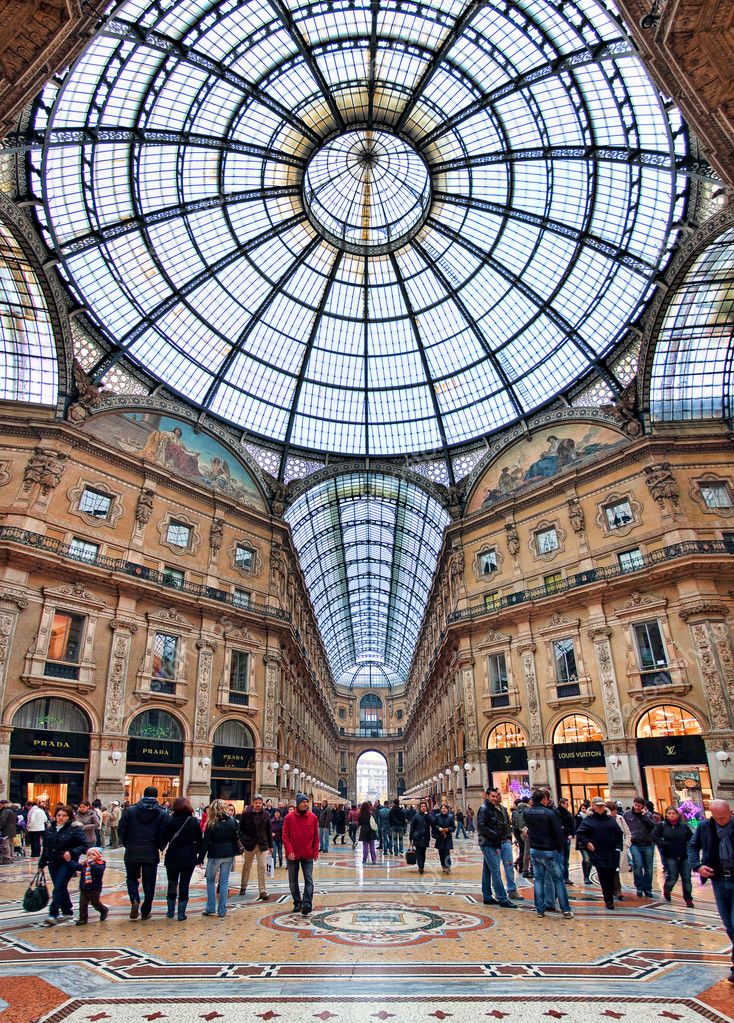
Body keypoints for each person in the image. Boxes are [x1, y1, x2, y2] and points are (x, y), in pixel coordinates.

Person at [689, 799, 734, 984]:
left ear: (731, 813)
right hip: (718, 879)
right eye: (717, 818)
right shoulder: (705, 826)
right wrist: (697, 866)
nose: (721, 821)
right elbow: (692, 846)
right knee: (729, 926)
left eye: (724, 817)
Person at [118, 785, 167, 920]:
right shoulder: (162, 813)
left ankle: (134, 899)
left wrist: (127, 843)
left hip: (132, 850)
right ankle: (146, 910)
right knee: (149, 881)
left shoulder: (130, 810)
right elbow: (164, 833)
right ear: (157, 796)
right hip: (151, 851)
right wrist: (159, 846)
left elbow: (121, 829)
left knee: (132, 878)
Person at [523, 789, 573, 919]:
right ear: (544, 799)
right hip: (549, 850)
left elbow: (528, 830)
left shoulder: (527, 813)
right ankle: (566, 910)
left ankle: (540, 910)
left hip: (535, 850)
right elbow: (558, 833)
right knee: (558, 880)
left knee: (538, 880)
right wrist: (558, 848)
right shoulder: (549, 813)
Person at [38, 805, 88, 925]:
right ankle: (67, 910)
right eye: (59, 815)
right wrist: (41, 863)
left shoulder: (74, 829)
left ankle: (53, 914)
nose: (61, 818)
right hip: (53, 861)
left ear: (69, 816)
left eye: (64, 815)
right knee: (60, 886)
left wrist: (71, 852)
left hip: (67, 863)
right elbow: (46, 847)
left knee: (59, 886)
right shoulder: (51, 828)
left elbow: (84, 845)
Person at [575, 797, 623, 909]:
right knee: (603, 875)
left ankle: (610, 895)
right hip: (598, 852)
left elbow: (618, 833)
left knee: (611, 875)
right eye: (599, 806)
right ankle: (608, 899)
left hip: (611, 852)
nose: (601, 808)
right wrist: (587, 843)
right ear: (593, 806)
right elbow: (581, 833)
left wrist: (618, 848)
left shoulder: (610, 819)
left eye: (602, 806)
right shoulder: (589, 820)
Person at [161, 796, 202, 920]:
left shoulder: (169, 820)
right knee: (184, 885)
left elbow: (164, 837)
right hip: (188, 857)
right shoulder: (194, 821)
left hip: (172, 855)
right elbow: (199, 839)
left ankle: (170, 911)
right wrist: (199, 855)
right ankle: (181, 914)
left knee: (172, 884)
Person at [476, 788, 517, 908]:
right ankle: (502, 898)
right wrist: (496, 836)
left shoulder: (491, 808)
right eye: (492, 796)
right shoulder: (484, 808)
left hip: (490, 842)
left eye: (496, 796)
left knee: (487, 871)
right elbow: (481, 826)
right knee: (495, 871)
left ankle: (487, 897)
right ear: (486, 796)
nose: (494, 798)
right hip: (488, 843)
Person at [200, 799, 240, 918]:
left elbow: (206, 842)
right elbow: (236, 837)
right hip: (228, 854)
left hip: (214, 854)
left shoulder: (211, 823)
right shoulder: (232, 821)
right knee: (224, 882)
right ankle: (222, 910)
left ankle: (210, 907)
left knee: (211, 881)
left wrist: (200, 857)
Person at [282, 793, 319, 915]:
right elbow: (285, 836)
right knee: (293, 880)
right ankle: (297, 902)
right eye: (303, 801)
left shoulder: (313, 817)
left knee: (309, 879)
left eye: (307, 801)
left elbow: (316, 837)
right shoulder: (289, 817)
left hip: (307, 854)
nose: (306, 803)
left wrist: (315, 852)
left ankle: (307, 903)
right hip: (293, 854)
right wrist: (289, 850)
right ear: (298, 803)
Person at [653, 805, 694, 907]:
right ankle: (667, 890)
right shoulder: (661, 825)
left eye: (673, 813)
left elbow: (692, 838)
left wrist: (691, 848)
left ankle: (688, 898)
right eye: (669, 813)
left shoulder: (684, 826)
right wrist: (663, 844)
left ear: (677, 815)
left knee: (686, 877)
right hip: (670, 855)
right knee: (672, 876)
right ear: (666, 815)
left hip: (684, 855)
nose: (671, 815)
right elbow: (654, 836)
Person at [239, 793, 273, 901]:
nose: (258, 804)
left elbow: (268, 830)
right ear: (252, 803)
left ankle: (262, 890)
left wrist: (271, 845)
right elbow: (241, 828)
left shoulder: (266, 814)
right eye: (256, 803)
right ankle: (243, 886)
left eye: (259, 803)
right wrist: (243, 840)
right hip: (249, 844)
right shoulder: (246, 814)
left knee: (262, 866)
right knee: (247, 866)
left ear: (262, 803)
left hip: (262, 844)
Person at [623, 796, 657, 897]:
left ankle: (648, 888)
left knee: (648, 867)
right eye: (636, 805)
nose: (637, 807)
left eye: (639, 806)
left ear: (643, 806)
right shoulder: (627, 814)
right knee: (637, 865)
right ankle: (639, 886)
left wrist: (645, 816)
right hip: (635, 844)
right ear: (633, 804)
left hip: (648, 844)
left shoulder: (648, 815)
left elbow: (654, 826)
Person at [73, 847, 109, 925]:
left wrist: (92, 864)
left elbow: (99, 871)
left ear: (98, 856)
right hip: (84, 888)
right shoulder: (85, 864)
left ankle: (103, 910)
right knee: (82, 904)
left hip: (94, 888)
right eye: (89, 855)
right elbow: (77, 866)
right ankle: (83, 918)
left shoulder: (100, 864)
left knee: (95, 903)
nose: (90, 856)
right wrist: (69, 861)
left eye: (93, 855)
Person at [605, 800, 631, 900]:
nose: (614, 812)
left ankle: (617, 889)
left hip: (618, 848)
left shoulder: (620, 819)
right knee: (609, 870)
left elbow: (627, 832)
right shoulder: (603, 820)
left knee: (616, 869)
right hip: (606, 848)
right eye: (613, 811)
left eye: (615, 810)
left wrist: (626, 844)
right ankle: (612, 889)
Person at [409, 800, 433, 874]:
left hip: (425, 837)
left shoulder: (428, 815)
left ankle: (422, 864)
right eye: (422, 806)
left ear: (426, 808)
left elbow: (432, 822)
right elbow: (412, 827)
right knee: (419, 852)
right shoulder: (416, 816)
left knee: (423, 852)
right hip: (418, 837)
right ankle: (420, 866)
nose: (423, 808)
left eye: (424, 806)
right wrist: (411, 837)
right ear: (420, 808)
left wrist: (427, 815)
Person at [432, 801, 455, 872]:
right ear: (440, 809)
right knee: (441, 852)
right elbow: (434, 825)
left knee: (446, 852)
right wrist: (438, 828)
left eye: (445, 808)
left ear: (447, 809)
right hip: (440, 837)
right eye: (442, 808)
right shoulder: (437, 816)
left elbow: (453, 827)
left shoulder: (450, 817)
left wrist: (448, 829)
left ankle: (448, 866)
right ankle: (443, 866)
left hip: (447, 837)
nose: (444, 809)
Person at [557, 797, 574, 883]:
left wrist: (571, 834)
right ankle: (562, 877)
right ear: (562, 804)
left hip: (566, 837)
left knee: (565, 859)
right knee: (561, 858)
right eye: (567, 804)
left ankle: (565, 877)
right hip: (560, 838)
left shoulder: (568, 813)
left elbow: (571, 826)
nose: (568, 805)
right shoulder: (557, 813)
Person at [0, 800, 17, 864]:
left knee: (5, 844)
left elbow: (2, 820)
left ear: (4, 804)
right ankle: (10, 857)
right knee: (10, 844)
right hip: (12, 829)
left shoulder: (5, 811)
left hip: (6, 829)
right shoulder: (13, 810)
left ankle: (6, 859)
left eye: (0, 804)